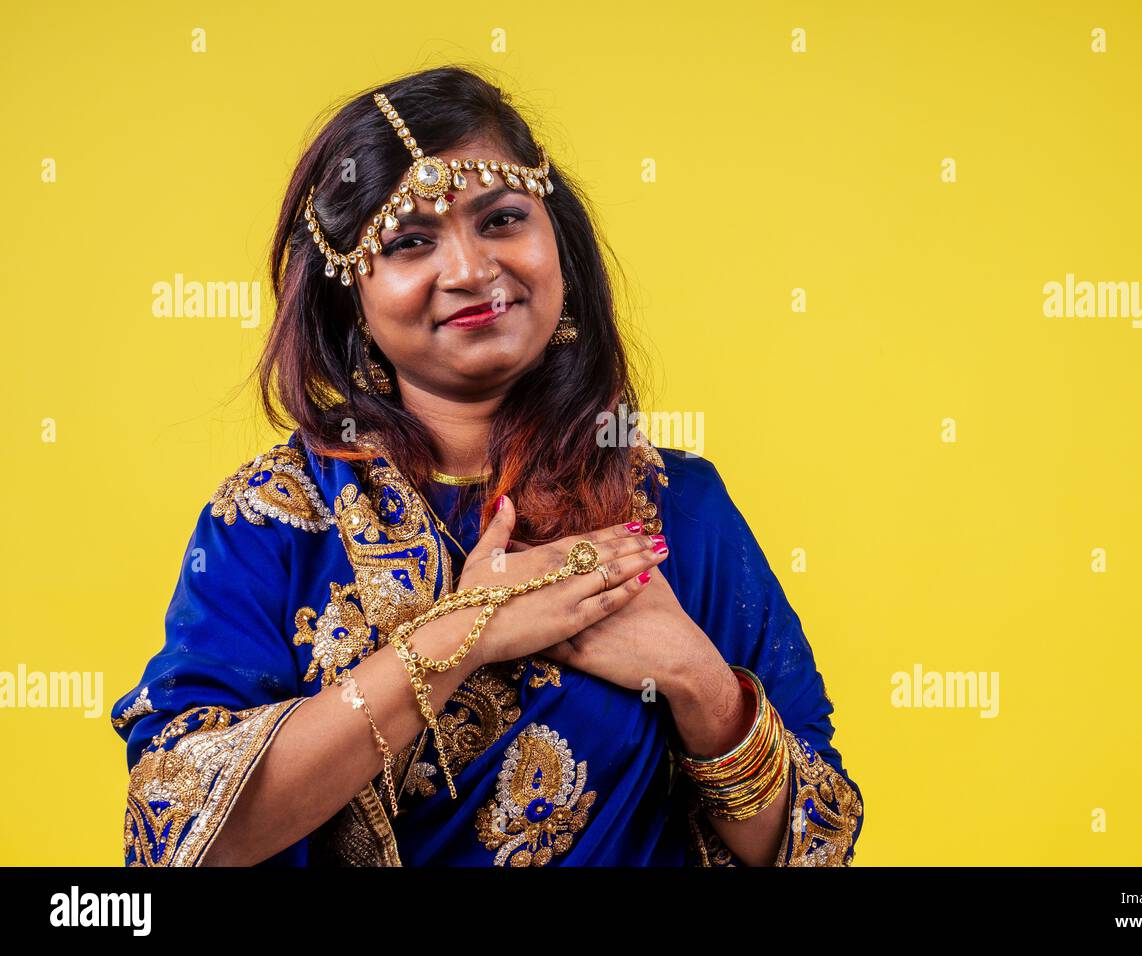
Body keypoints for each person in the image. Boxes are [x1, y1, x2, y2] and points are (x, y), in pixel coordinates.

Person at [110, 66, 863, 867]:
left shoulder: (672, 510)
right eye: (408, 242)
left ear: (557, 246)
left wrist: (699, 683)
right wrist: (460, 637)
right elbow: (180, 835)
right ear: (350, 299)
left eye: (501, 219)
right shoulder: (273, 520)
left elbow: (817, 844)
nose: (470, 270)